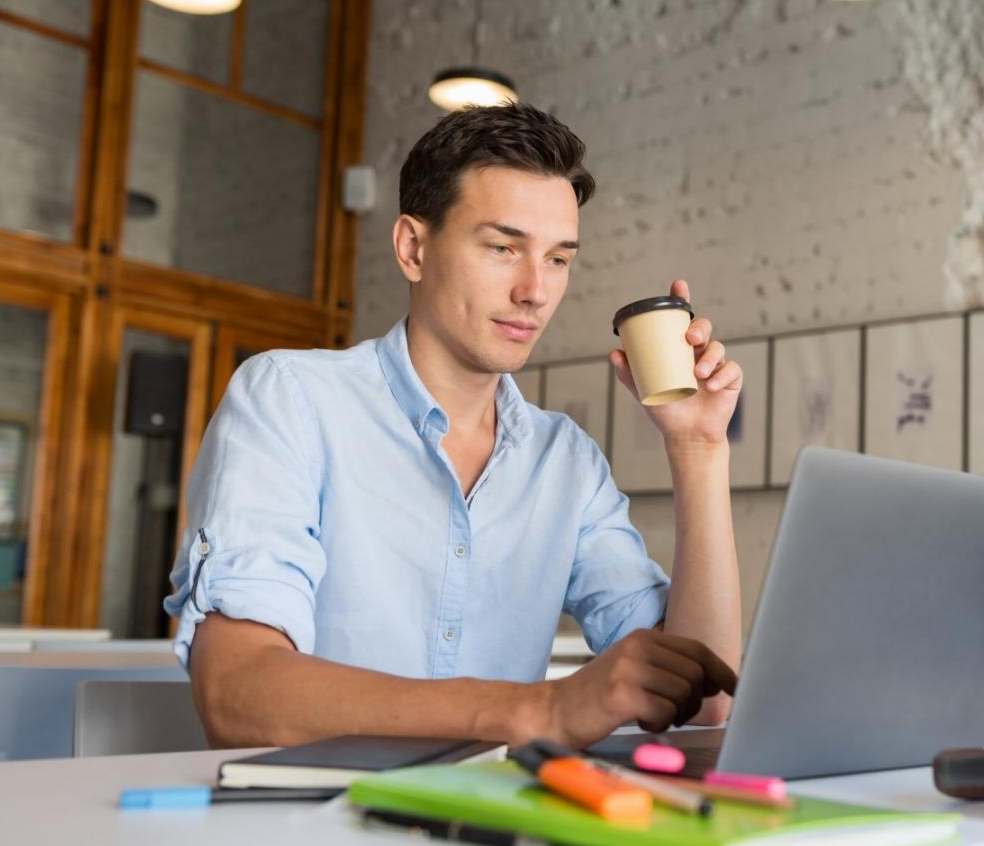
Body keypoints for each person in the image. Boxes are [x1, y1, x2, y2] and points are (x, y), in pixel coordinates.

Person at [164, 103, 742, 749]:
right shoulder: (290, 400)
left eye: (558, 259)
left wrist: (698, 448)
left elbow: (703, 703)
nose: (536, 291)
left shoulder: (566, 463)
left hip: (495, 839)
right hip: (314, 831)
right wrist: (537, 711)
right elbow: (236, 693)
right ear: (414, 247)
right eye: (503, 248)